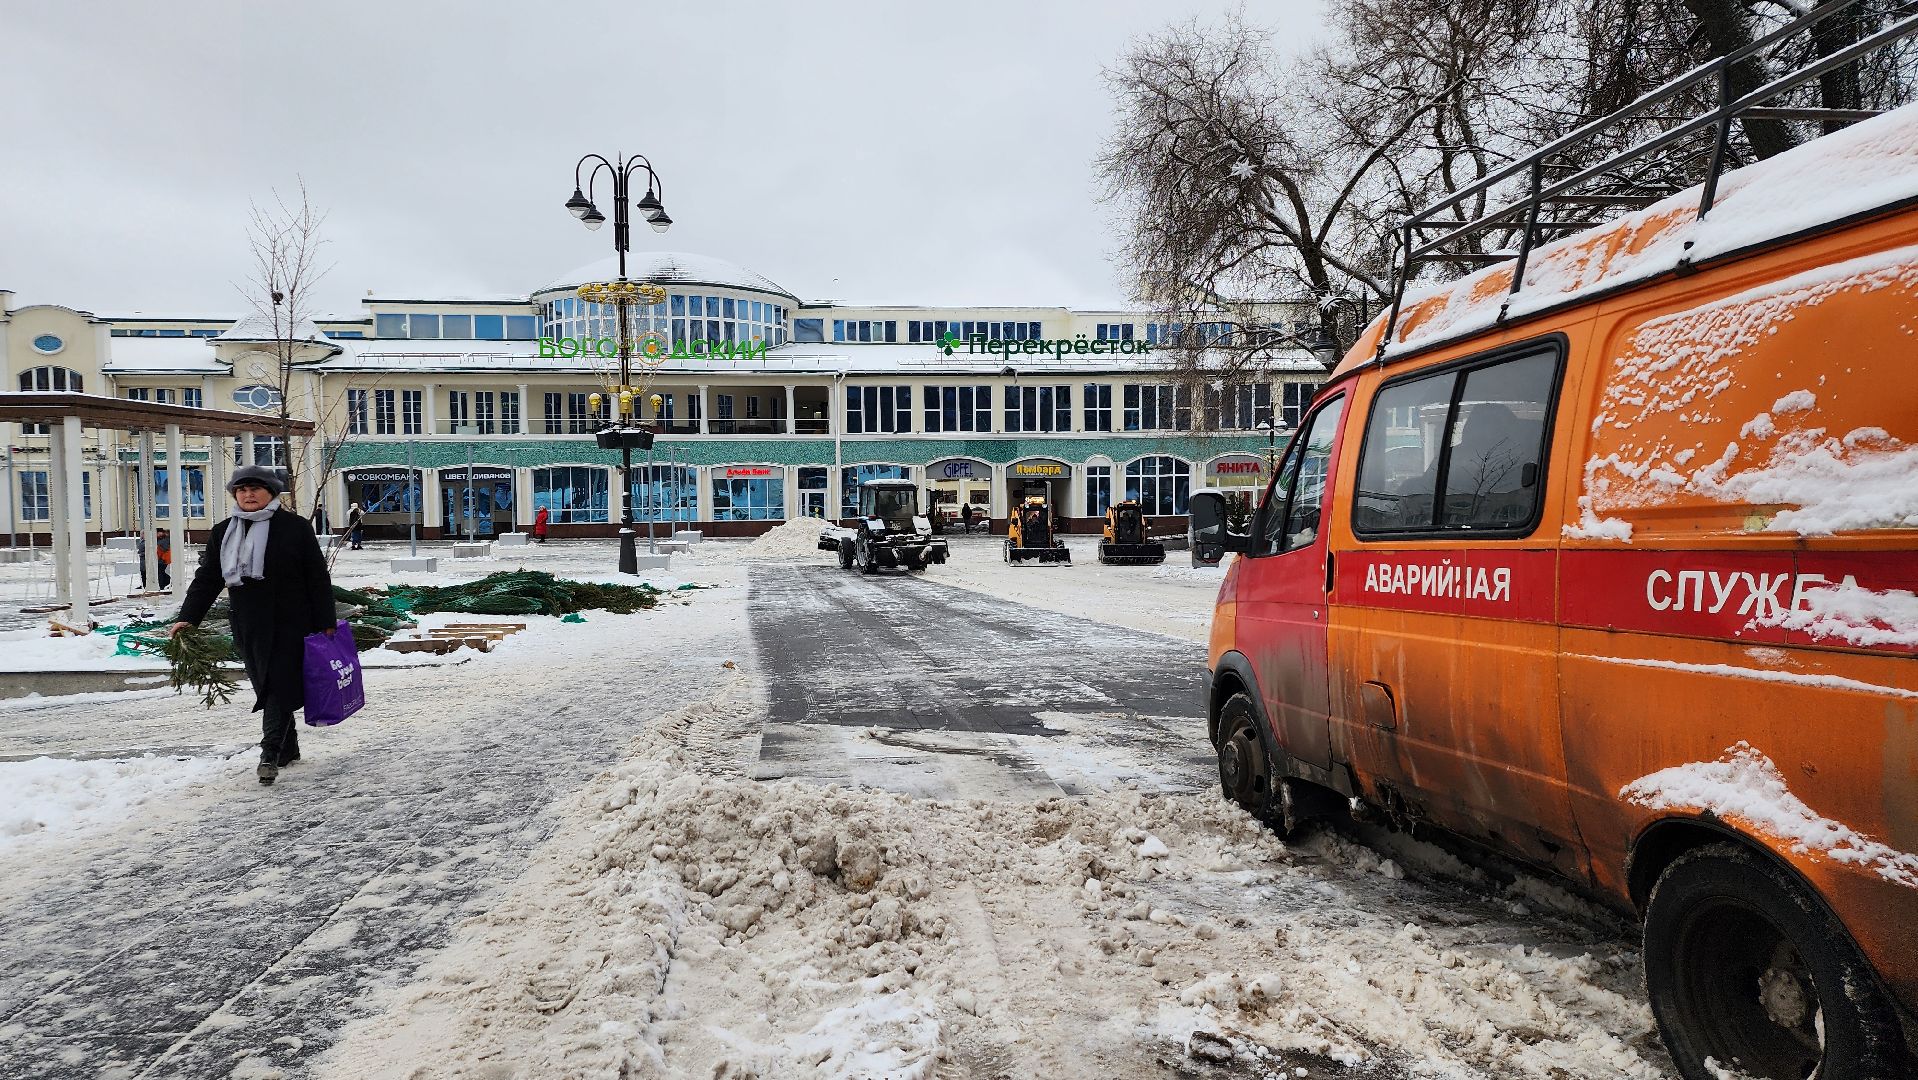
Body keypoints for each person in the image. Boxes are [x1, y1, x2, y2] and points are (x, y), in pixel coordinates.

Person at [169, 466, 338, 787]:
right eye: (242, 489)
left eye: (255, 489)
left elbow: (317, 578)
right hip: (249, 625)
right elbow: (207, 579)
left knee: (276, 684)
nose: (248, 494)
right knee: (269, 685)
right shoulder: (223, 531)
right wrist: (188, 616)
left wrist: (325, 621)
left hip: (292, 623)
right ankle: (288, 749)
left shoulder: (295, 528)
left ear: (272, 494)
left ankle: (269, 754)